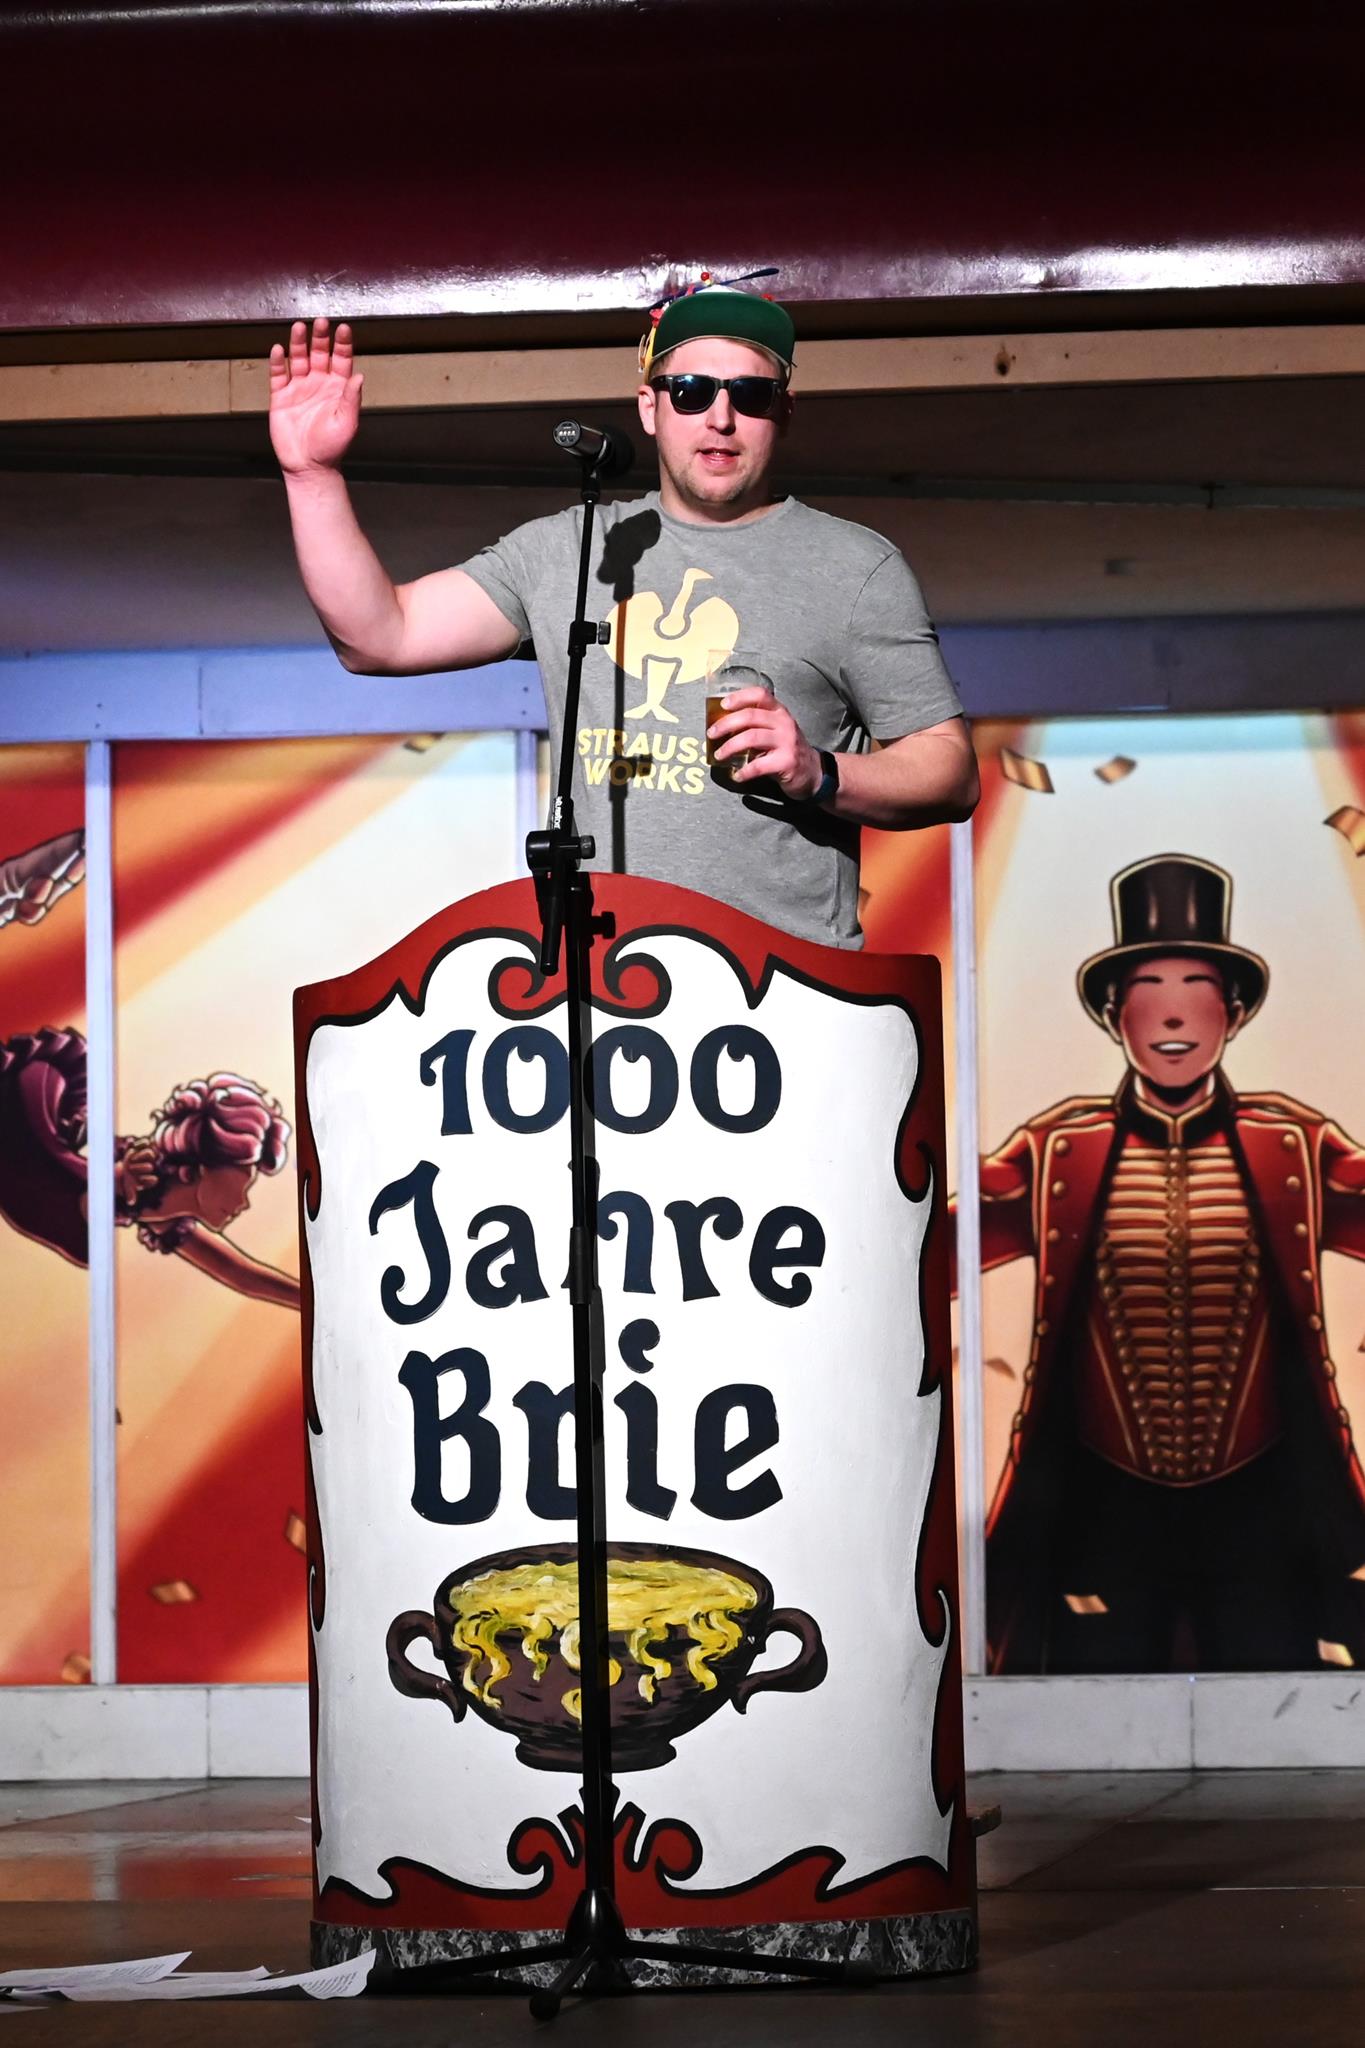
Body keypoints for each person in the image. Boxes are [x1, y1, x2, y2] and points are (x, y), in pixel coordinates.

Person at [268, 279, 978, 947]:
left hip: (784, 989)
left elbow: (949, 773)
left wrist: (818, 771)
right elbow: (380, 638)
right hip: (599, 989)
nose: (720, 417)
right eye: (691, 391)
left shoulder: (856, 568)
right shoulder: (569, 550)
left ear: (783, 413)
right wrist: (312, 476)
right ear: (649, 407)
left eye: (751, 395)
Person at [969, 854, 1365, 1674]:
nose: (1173, 1015)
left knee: (1275, 1687)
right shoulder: (1057, 1149)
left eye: (1196, 988)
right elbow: (930, 1241)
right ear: (1113, 1013)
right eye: (1148, 988)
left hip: (1262, 1499)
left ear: (1234, 1012)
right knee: (1090, 1689)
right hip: (1101, 1501)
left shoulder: (1291, 1143)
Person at [0, 1024, 300, 1309]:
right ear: (199, 1171)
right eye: (244, 1185)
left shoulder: (163, 1211)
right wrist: (119, 1177)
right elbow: (94, 1191)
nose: (244, 1203)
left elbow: (240, 1274)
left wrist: (313, 1302)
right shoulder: (138, 1175)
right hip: (20, 1117)